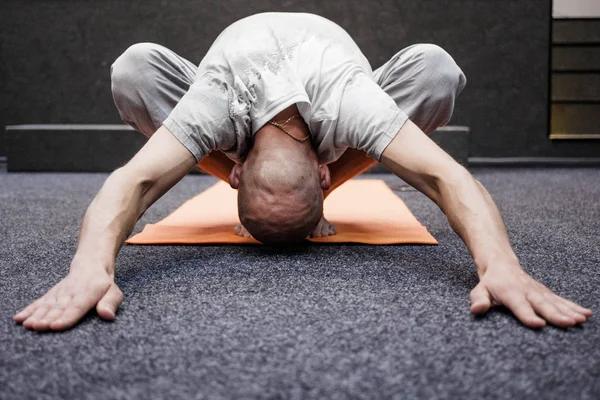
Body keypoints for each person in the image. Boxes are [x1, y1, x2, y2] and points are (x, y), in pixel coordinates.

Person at [13, 12, 591, 331]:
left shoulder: (349, 104)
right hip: (237, 97)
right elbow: (447, 179)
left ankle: (291, 192)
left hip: (328, 89)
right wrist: (87, 267)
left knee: (436, 71)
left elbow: (448, 180)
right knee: (133, 70)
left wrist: (503, 267)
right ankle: (283, 191)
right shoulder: (216, 101)